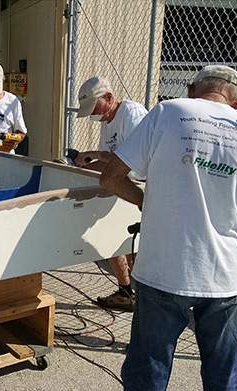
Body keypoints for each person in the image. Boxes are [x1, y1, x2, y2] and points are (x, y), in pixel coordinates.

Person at [99, 65, 237, 390]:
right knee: (221, 375)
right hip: (224, 278)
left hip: (162, 271)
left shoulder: (167, 112)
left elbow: (110, 178)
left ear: (192, 90)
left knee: (147, 372)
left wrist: (145, 202)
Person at [74, 76, 147, 311]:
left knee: (133, 245)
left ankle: (146, 298)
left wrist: (95, 154)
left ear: (109, 97)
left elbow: (136, 160)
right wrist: (82, 163)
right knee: (110, 239)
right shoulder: (108, 122)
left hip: (141, 186)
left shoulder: (131, 114)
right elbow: (110, 163)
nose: (94, 115)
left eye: (95, 108)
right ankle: (126, 291)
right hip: (121, 184)